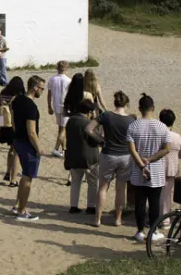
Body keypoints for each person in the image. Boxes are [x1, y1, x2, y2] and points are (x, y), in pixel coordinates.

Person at [126, 93, 172, 244]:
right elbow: (166, 149)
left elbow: (132, 150)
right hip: (156, 170)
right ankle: (154, 231)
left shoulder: (133, 126)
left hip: (138, 170)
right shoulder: (162, 127)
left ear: (140, 108)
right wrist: (151, 159)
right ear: (153, 108)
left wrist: (141, 164)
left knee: (139, 202)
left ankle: (140, 231)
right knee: (154, 202)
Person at [93, 91, 134, 227]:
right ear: (126, 103)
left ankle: (97, 219)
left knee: (103, 187)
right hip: (125, 155)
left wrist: (101, 139)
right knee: (120, 189)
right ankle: (117, 219)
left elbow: (88, 128)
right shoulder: (131, 120)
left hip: (108, 153)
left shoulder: (106, 116)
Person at [11, 75, 46, 220]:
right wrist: (38, 149)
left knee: (24, 176)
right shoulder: (31, 106)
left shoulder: (17, 100)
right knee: (27, 177)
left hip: (18, 140)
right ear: (35, 87)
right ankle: (22, 211)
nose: (42, 92)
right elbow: (31, 131)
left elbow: (13, 121)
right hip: (27, 144)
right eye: (42, 89)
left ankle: (18, 206)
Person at [64, 99, 100, 214]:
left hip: (73, 156)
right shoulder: (88, 123)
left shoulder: (70, 121)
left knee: (75, 181)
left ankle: (73, 206)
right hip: (89, 157)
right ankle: (91, 206)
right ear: (89, 112)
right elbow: (97, 139)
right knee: (93, 182)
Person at [0, 77, 25, 186]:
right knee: (15, 151)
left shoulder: (3, 94)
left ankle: (8, 171)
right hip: (14, 125)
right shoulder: (19, 97)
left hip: (4, 125)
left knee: (11, 149)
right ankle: (13, 178)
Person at [159, 108, 181, 217]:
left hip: (159, 168)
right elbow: (180, 155)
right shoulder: (177, 136)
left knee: (159, 195)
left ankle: (162, 218)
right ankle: (165, 217)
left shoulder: (159, 135)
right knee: (167, 194)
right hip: (172, 168)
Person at [46, 61, 72, 157]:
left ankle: (64, 149)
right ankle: (56, 148)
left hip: (56, 106)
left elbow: (49, 95)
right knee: (64, 129)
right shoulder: (69, 80)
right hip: (66, 107)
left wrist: (49, 106)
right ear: (66, 68)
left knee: (61, 128)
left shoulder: (52, 79)